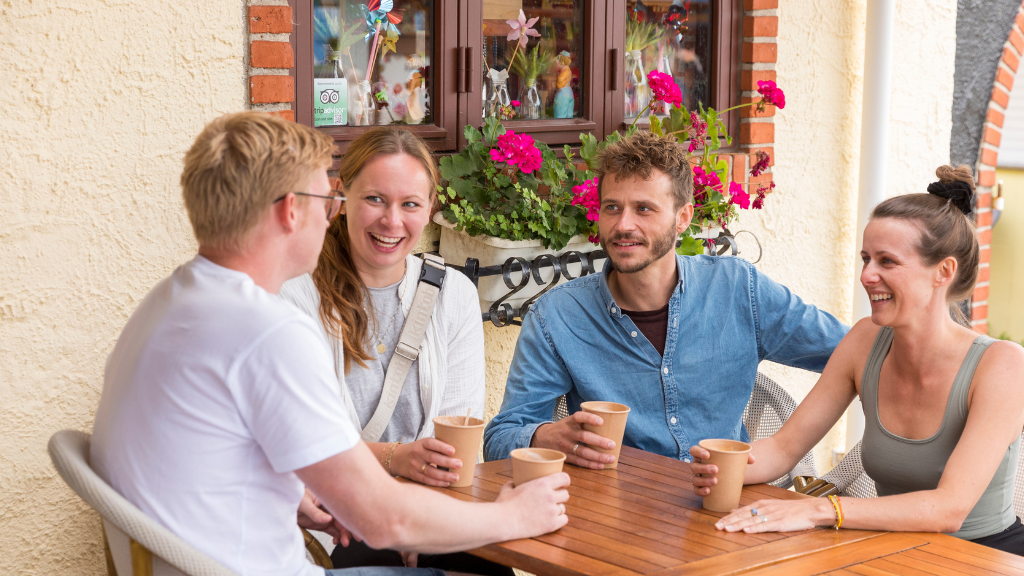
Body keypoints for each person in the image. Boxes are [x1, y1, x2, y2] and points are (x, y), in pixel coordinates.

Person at [90, 111, 570, 576]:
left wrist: (284, 495)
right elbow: (387, 521)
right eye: (328, 201)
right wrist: (514, 516)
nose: (332, 216)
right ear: (289, 210)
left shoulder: (170, 300)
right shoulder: (266, 331)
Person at [690, 165, 1024, 555]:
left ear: (943, 271)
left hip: (986, 556)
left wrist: (820, 510)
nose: (867, 275)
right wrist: (720, 465)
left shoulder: (1002, 365)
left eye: (887, 261)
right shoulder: (865, 340)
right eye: (866, 258)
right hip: (892, 550)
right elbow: (783, 449)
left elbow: (947, 509)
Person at [483, 130, 849, 467]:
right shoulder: (558, 315)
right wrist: (547, 436)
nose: (623, 224)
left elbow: (856, 352)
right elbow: (500, 438)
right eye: (612, 207)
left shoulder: (738, 289)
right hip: (621, 517)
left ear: (683, 217)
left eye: (644, 208)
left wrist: (788, 445)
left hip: (726, 508)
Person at [279, 128, 503, 574]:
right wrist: (395, 464)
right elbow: (306, 448)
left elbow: (455, 439)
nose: (392, 221)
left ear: (430, 209)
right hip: (336, 522)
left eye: (410, 204)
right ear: (340, 198)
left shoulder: (453, 294)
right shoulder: (294, 295)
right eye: (375, 199)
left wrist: (421, 518)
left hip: (431, 505)